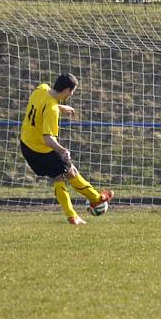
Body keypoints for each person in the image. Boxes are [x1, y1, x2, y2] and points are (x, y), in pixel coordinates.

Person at [20, 73, 113, 225]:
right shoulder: (52, 110)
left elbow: (41, 105)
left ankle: (89, 202)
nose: (71, 95)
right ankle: (93, 202)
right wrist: (63, 150)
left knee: (60, 175)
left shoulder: (41, 89)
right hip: (42, 149)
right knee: (69, 173)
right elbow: (48, 139)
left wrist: (61, 107)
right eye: (72, 92)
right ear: (67, 90)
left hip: (26, 145)